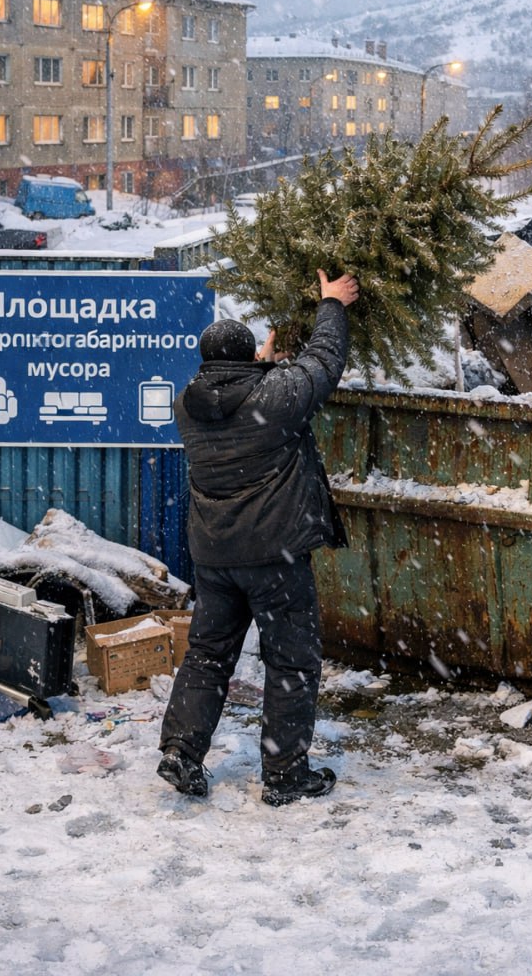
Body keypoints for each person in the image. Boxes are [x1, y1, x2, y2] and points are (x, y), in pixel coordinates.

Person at [157, 268, 359, 806]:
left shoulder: (187, 405)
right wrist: (331, 303)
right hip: (275, 556)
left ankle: (180, 752)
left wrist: (257, 369)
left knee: (207, 655)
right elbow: (323, 361)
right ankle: (286, 774)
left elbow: (240, 403)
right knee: (291, 661)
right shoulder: (279, 397)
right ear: (249, 360)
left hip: (215, 558)